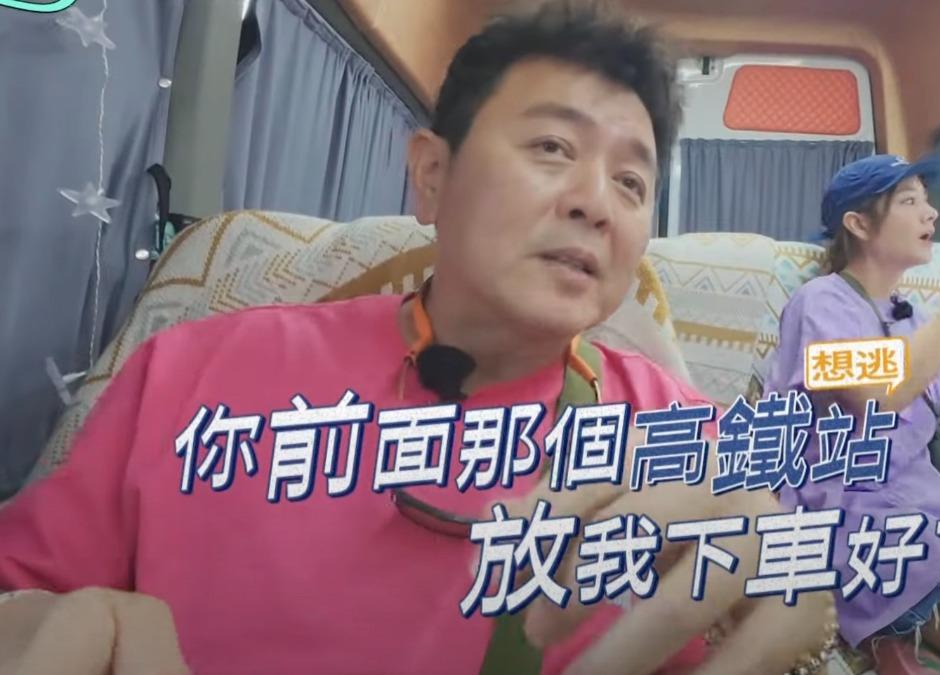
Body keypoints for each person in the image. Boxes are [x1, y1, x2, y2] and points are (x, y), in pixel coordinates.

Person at [0, 2, 838, 674]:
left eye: (631, 180)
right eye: (553, 147)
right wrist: (52, 626)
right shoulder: (193, 371)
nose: (597, 203)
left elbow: (795, 601)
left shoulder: (685, 435)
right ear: (432, 176)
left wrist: (798, 613)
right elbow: (22, 591)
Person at [763, 154, 940, 675]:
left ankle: (904, 638)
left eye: (926, 201)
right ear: (859, 224)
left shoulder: (913, 317)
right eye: (909, 201)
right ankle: (892, 630)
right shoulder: (818, 302)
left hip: (932, 508)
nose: (930, 213)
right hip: (863, 519)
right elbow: (875, 396)